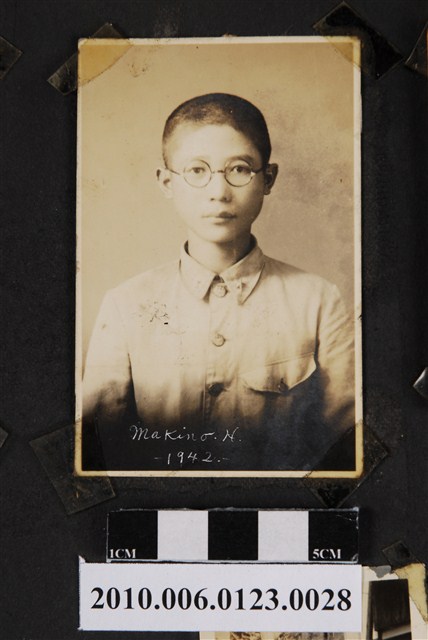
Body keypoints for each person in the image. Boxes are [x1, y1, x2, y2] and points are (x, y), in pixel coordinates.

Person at [81, 93, 355, 473]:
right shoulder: (125, 306)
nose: (219, 192)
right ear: (166, 182)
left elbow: (346, 447)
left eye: (239, 169)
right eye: (196, 171)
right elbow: (97, 449)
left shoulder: (319, 301)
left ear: (268, 178)